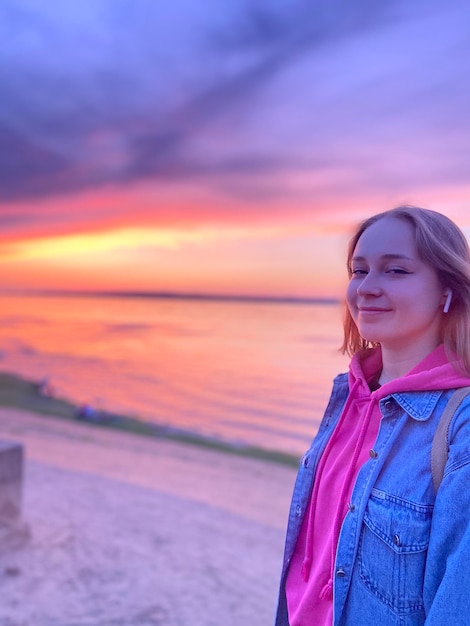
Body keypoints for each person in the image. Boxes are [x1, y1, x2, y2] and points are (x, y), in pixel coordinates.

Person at [274, 205, 470, 626]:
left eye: (395, 271)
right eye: (359, 270)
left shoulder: (460, 426)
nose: (366, 288)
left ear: (447, 290)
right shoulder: (351, 396)